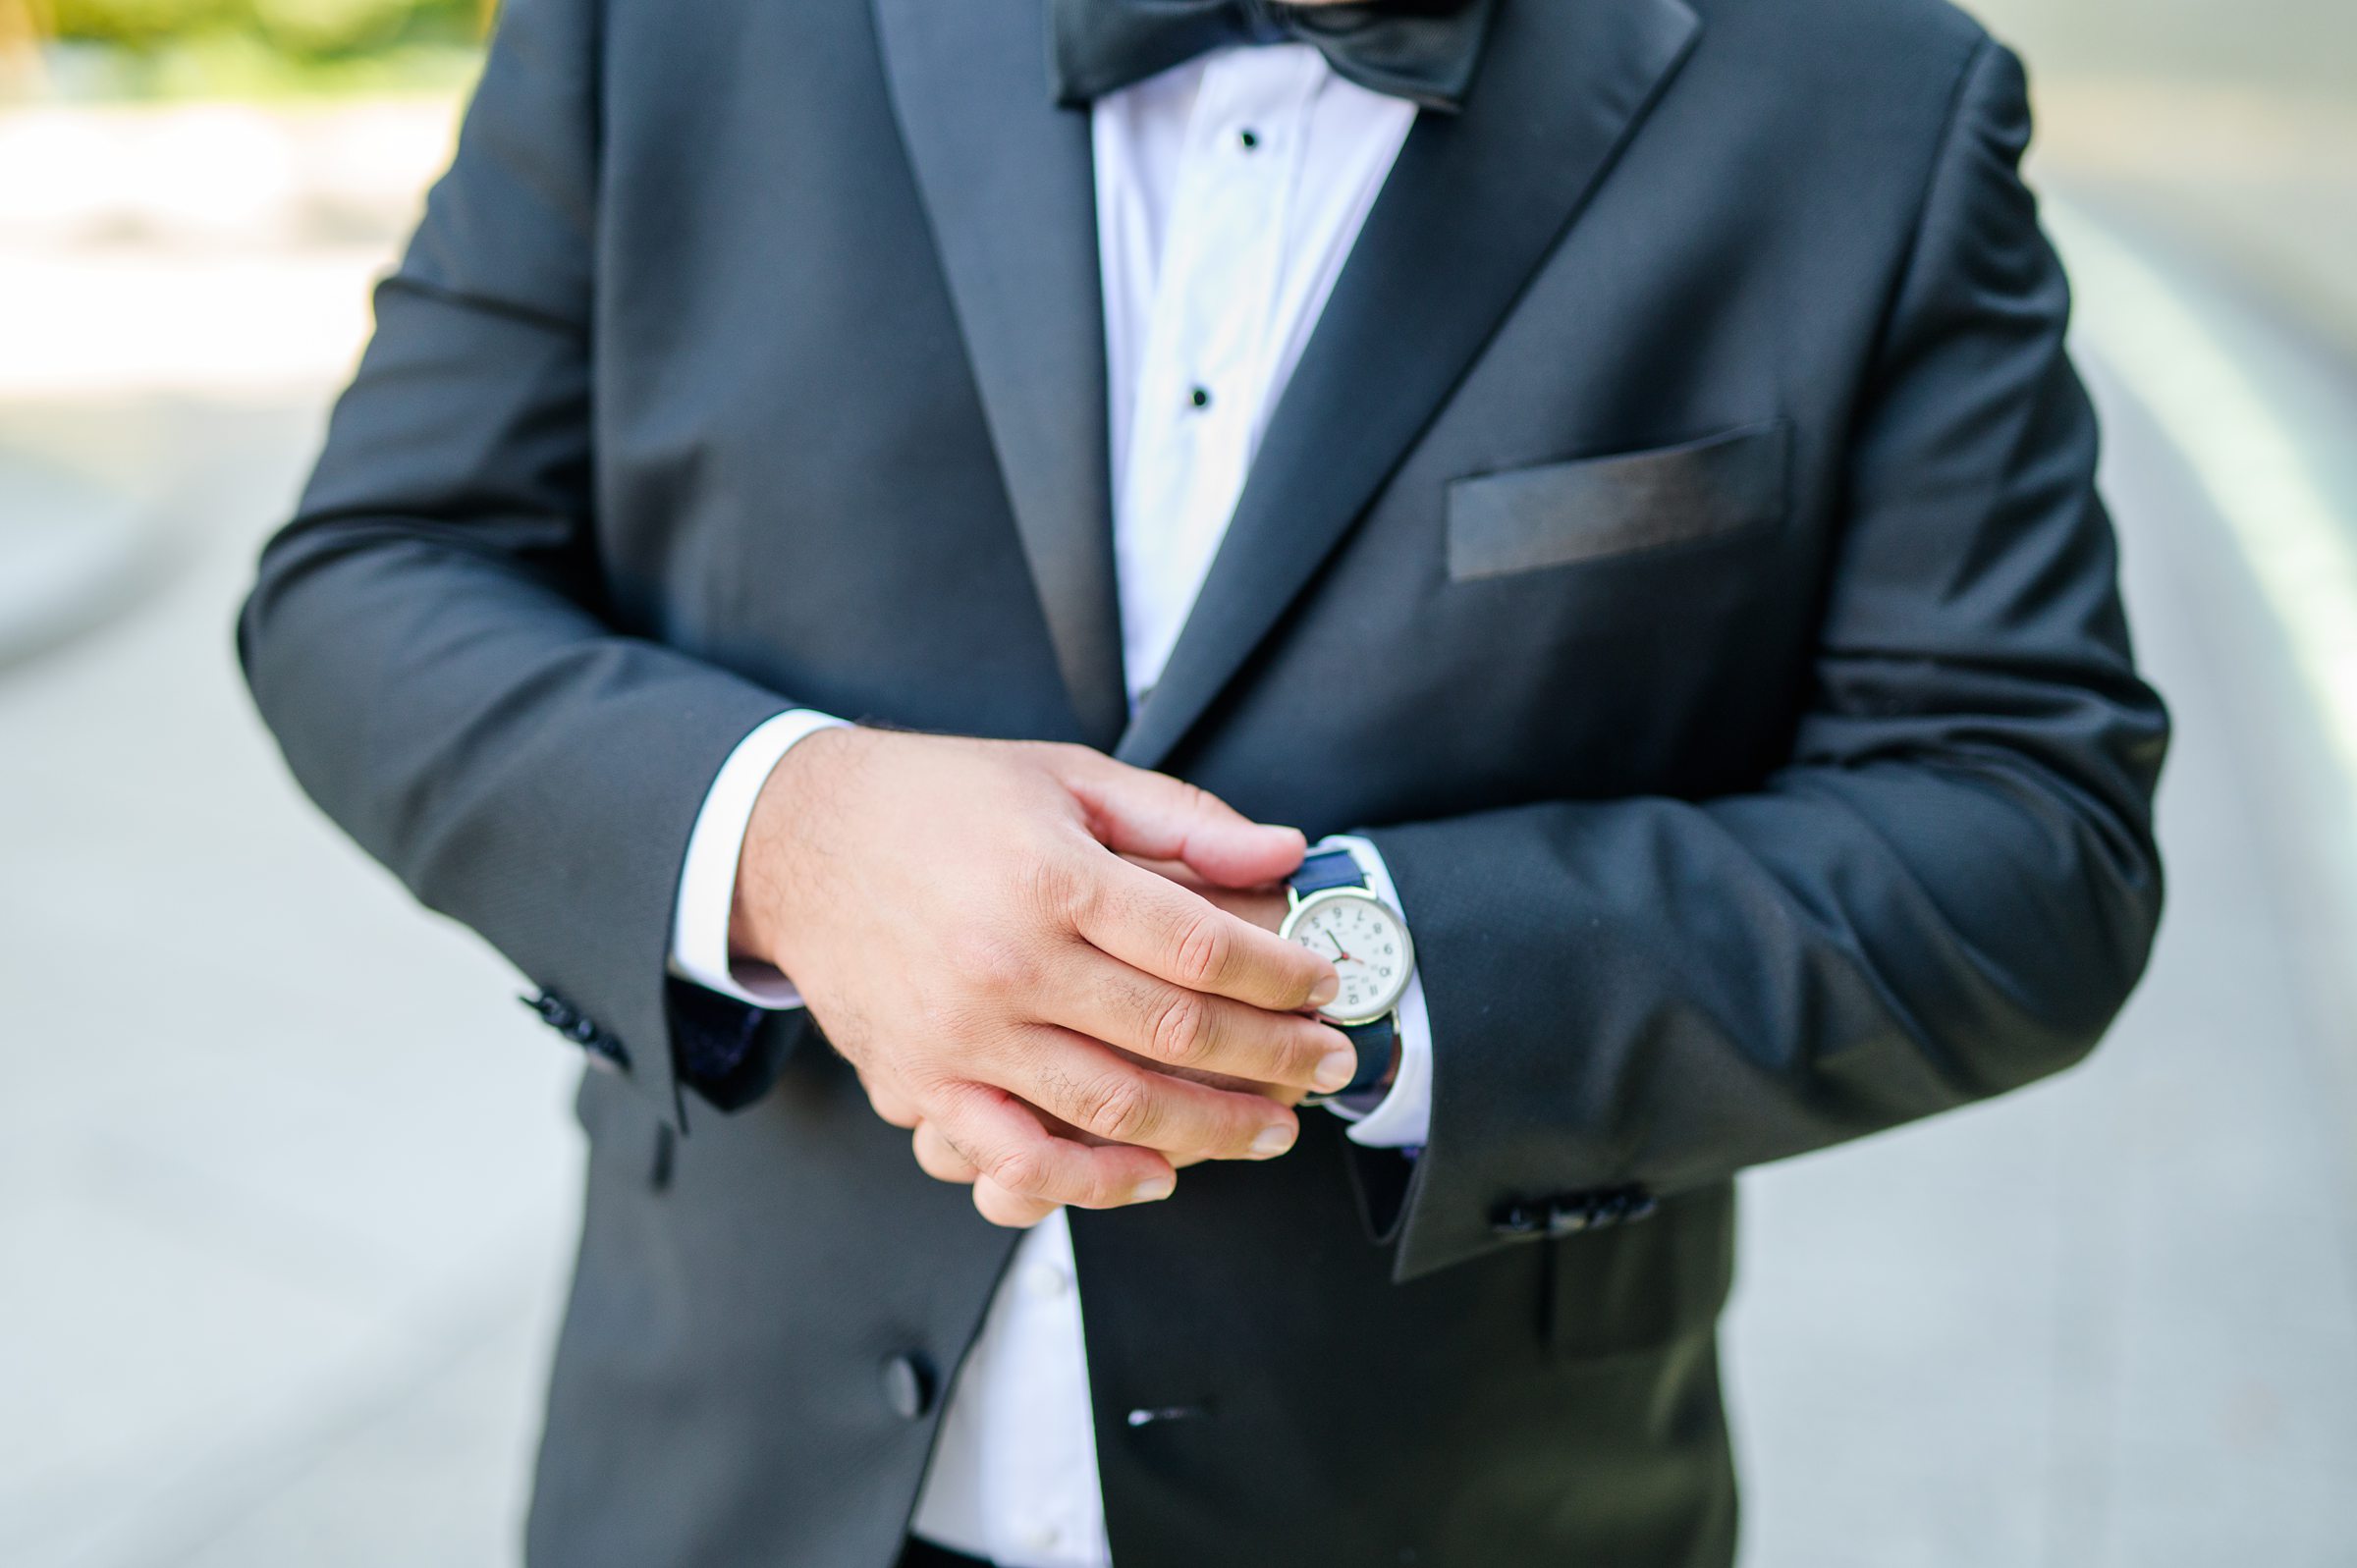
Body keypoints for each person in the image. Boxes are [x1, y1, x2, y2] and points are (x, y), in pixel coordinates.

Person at [238, 0, 2169, 1563]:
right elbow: (372, 570)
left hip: (1460, 1507)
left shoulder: (1866, 97)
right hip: (722, 1483)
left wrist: (1349, 963)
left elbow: (2029, 832)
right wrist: (789, 835)